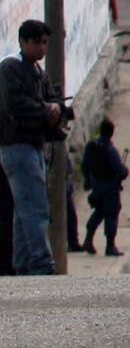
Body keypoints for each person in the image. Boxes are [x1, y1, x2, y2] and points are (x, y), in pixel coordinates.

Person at [1, 19, 65, 276]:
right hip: (17, 146)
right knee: (35, 208)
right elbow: (15, 104)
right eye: (38, 42)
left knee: (23, 211)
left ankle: (24, 265)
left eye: (45, 43)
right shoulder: (10, 68)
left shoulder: (37, 71)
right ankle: (40, 265)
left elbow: (53, 98)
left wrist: (56, 109)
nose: (42, 48)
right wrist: (45, 110)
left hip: (33, 145)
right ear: (24, 42)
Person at [79, 118, 127, 256]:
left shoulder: (91, 146)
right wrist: (125, 171)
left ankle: (88, 240)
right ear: (112, 133)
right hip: (110, 187)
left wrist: (88, 181)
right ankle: (110, 246)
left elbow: (84, 166)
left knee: (98, 212)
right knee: (111, 213)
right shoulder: (110, 150)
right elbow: (120, 170)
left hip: (96, 185)